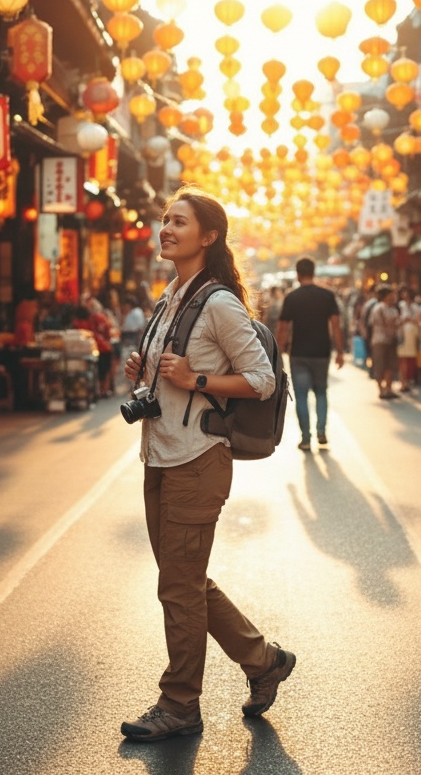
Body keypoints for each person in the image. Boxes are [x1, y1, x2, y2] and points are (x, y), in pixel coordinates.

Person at [119, 186, 292, 743]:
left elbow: (261, 379)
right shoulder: (171, 296)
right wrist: (144, 371)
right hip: (161, 455)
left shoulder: (217, 302)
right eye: (164, 220)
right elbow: (171, 372)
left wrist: (193, 378)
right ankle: (263, 661)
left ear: (208, 236)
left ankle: (180, 704)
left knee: (179, 584)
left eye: (179, 222)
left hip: (197, 459)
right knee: (184, 581)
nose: (165, 229)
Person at [276, 257, 346, 451]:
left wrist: (278, 354)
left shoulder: (292, 297)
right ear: (314, 273)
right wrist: (339, 352)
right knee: (321, 392)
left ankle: (305, 438)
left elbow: (283, 328)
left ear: (298, 274)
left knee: (301, 395)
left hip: (298, 353)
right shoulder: (327, 295)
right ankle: (321, 431)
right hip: (322, 352)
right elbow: (336, 325)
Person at [368, 284, 399, 400]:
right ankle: (381, 389)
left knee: (390, 365)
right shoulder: (379, 308)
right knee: (380, 366)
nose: (393, 296)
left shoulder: (393, 309)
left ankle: (389, 389)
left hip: (390, 340)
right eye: (391, 294)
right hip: (380, 340)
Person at [396, 286, 421, 393]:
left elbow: (418, 320)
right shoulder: (400, 306)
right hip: (402, 334)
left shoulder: (415, 307)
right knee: (402, 359)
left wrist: (410, 320)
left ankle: (408, 381)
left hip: (412, 334)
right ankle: (403, 381)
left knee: (410, 359)